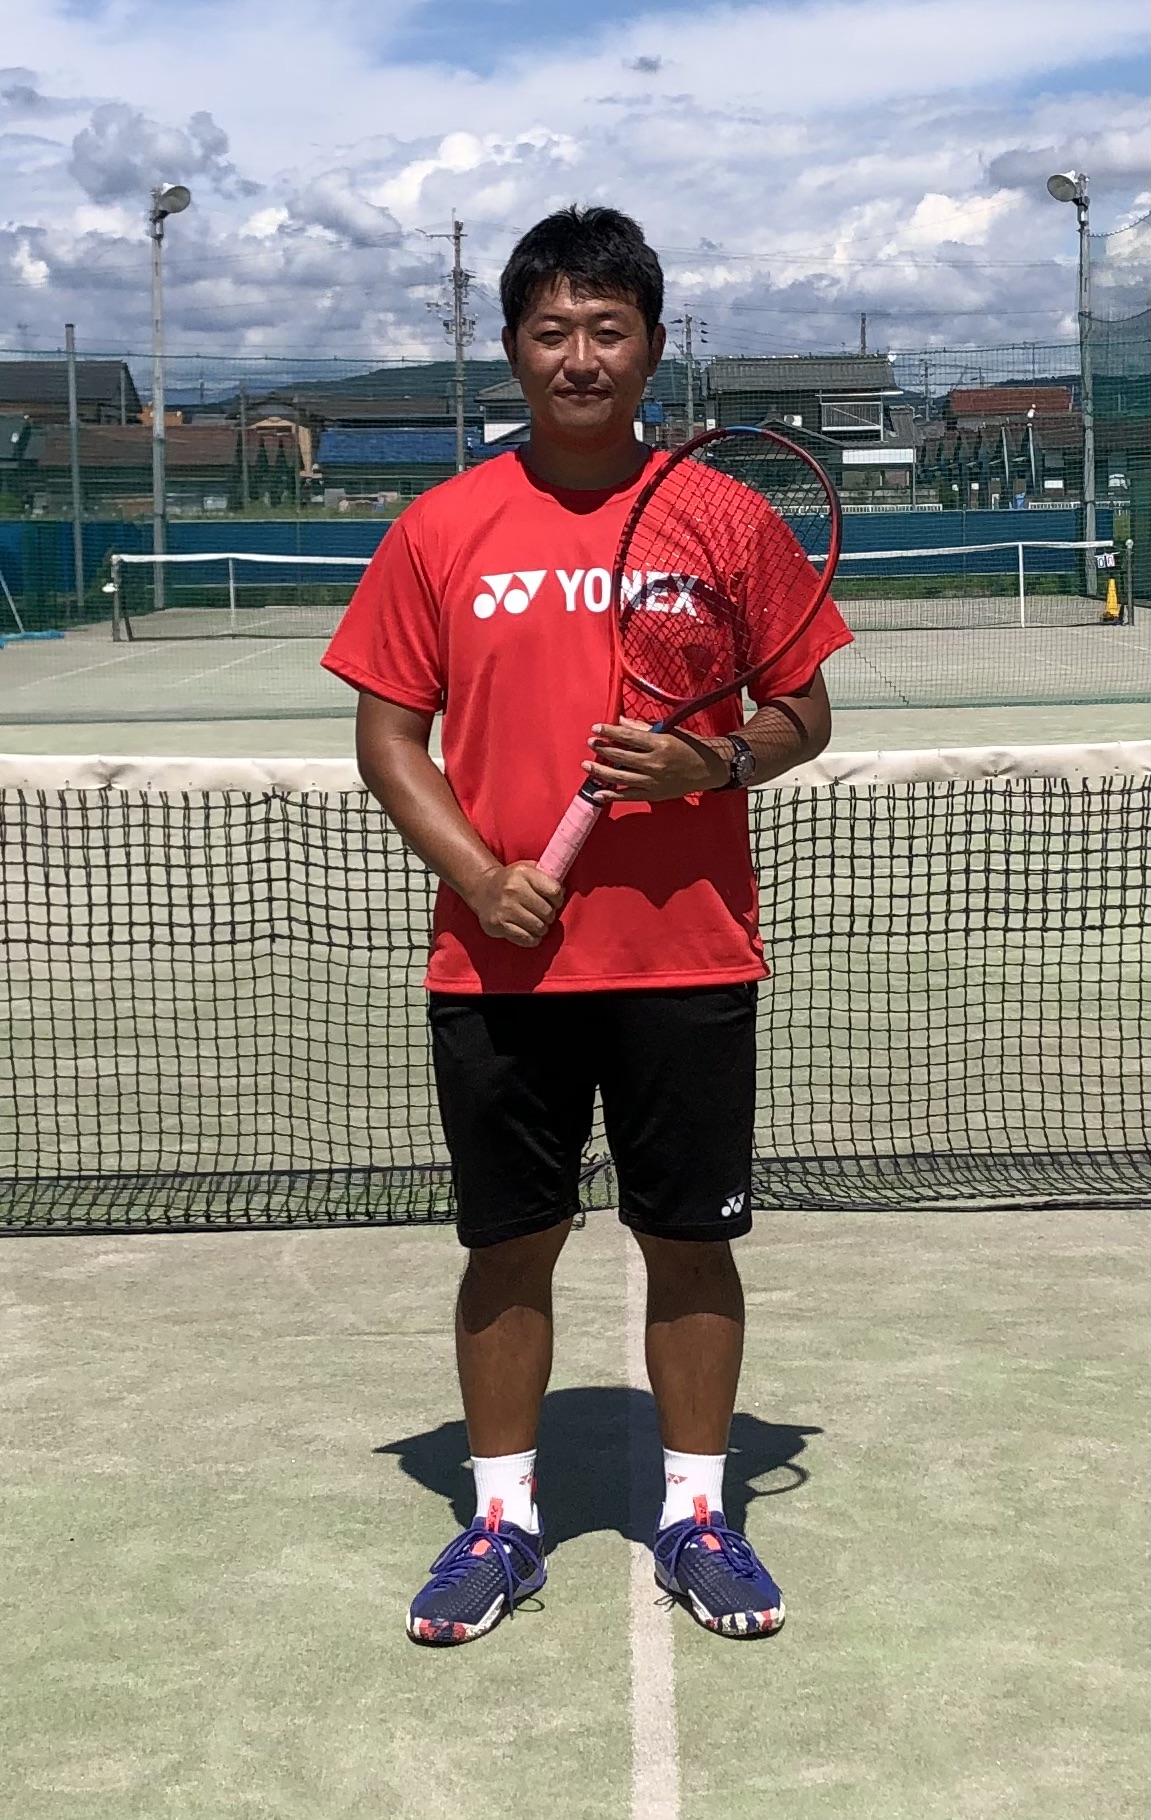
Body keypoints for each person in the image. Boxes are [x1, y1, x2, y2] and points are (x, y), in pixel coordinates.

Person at [321, 205, 852, 1646]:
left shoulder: (724, 518)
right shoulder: (441, 528)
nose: (579, 357)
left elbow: (804, 711)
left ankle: (697, 1515)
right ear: (511, 349)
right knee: (511, 1246)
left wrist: (710, 762)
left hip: (688, 955)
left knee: (688, 1242)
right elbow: (389, 737)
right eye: (551, 330)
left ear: (652, 348)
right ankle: (501, 1521)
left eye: (607, 330)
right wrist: (482, 876)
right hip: (497, 965)